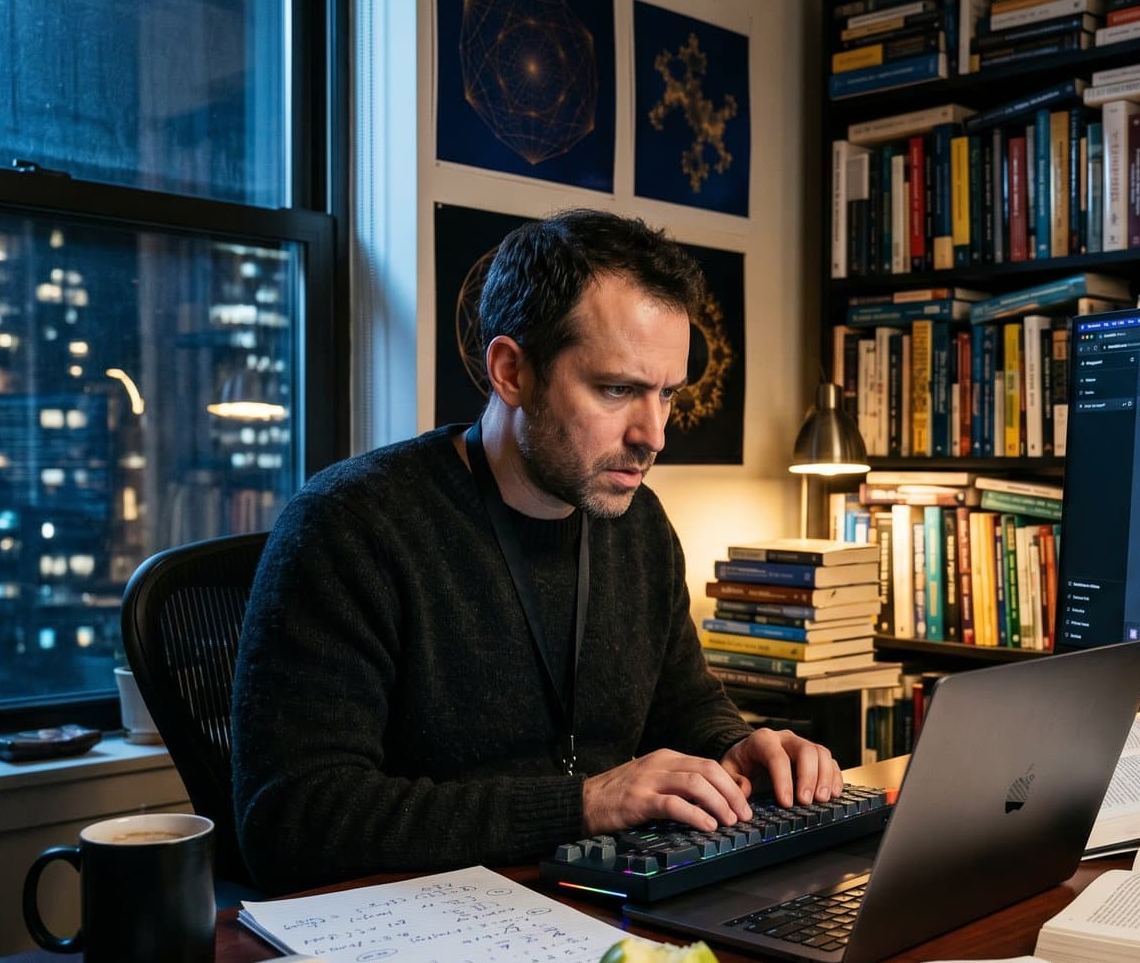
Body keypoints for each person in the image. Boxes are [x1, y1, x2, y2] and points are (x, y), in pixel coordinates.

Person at [231, 208, 843, 894]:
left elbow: (683, 702)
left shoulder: (639, 524)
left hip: (597, 899)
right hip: (419, 925)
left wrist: (739, 745)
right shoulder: (351, 525)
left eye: (667, 393)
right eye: (617, 389)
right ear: (511, 371)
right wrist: (583, 803)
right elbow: (290, 819)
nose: (654, 435)